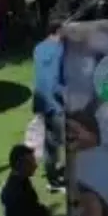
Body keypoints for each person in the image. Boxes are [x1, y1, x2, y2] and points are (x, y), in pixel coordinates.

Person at [0, 145, 60, 216]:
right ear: (20, 165)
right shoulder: (16, 192)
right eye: (31, 163)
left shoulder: (22, 181)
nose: (36, 166)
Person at [31, 20, 66, 191]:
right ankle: (72, 180)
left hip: (42, 102)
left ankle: (52, 180)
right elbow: (55, 84)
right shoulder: (60, 50)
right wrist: (71, 95)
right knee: (71, 144)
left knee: (50, 144)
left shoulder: (38, 48)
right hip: (57, 105)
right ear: (59, 30)